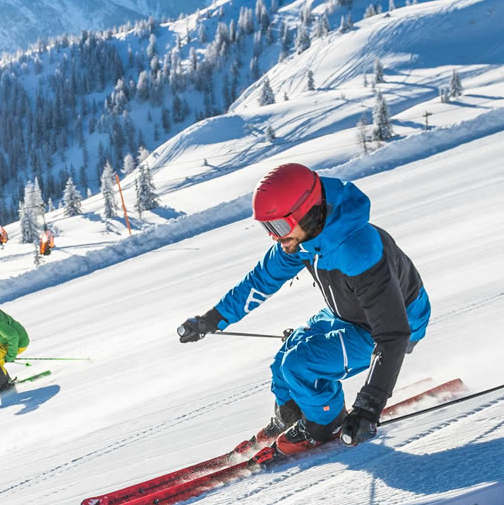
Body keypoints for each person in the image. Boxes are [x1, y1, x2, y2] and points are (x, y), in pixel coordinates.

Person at [177, 163, 430, 454]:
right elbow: (262, 280)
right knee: (285, 357)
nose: (275, 237)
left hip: (394, 324)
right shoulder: (303, 238)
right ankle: (294, 413)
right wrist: (213, 319)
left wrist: (368, 408)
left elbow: (393, 334)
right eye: (267, 228)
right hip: (349, 314)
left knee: (301, 364)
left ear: (307, 212)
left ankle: (325, 424)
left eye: (279, 226)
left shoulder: (357, 249)